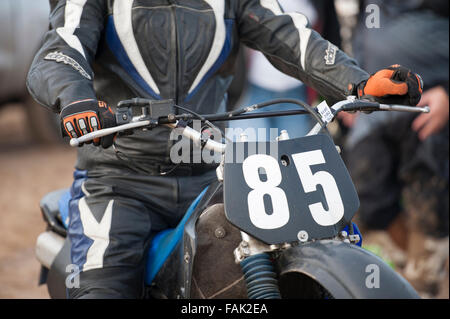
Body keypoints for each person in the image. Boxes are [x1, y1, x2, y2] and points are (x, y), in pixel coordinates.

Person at [27, 0, 422, 299]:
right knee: (103, 288)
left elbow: (291, 36)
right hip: (119, 180)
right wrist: (74, 98)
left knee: (275, 261)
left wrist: (358, 82)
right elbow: (60, 50)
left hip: (212, 175)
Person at [342, 0, 449, 298]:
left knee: (429, 205)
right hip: (376, 110)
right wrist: (353, 86)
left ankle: (423, 285)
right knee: (364, 198)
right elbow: (362, 30)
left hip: (432, 108)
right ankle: (403, 276)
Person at [228, 0, 342, 141]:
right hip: (250, 92)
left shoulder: (320, 4)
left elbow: (331, 38)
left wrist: (341, 93)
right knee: (248, 156)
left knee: (296, 156)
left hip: (297, 96)